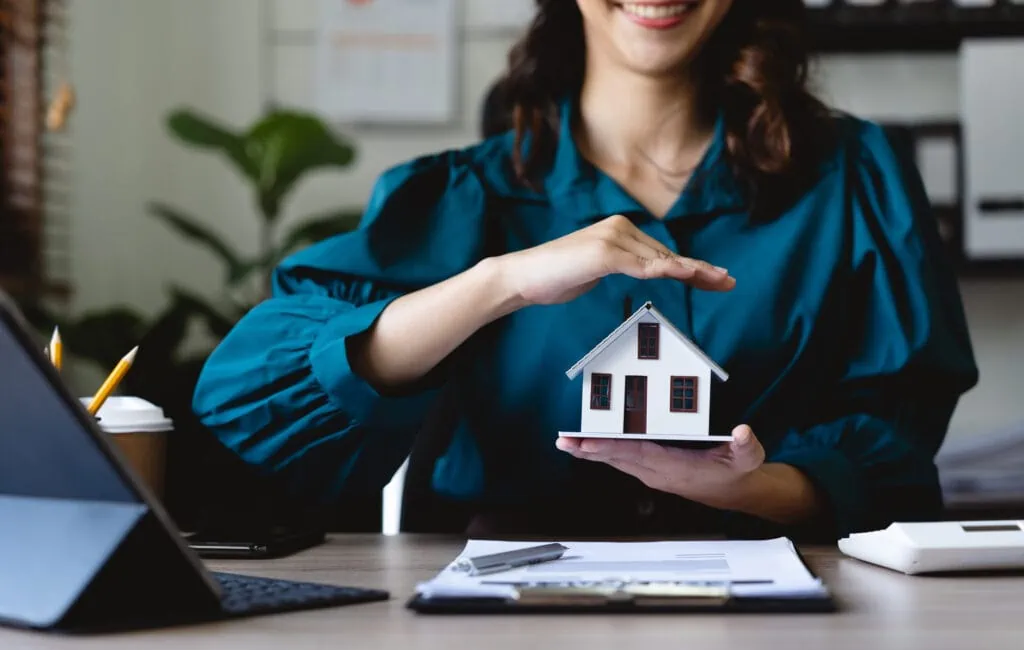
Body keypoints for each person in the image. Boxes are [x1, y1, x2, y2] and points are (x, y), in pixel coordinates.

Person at [192, 0, 979, 540]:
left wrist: (755, 485)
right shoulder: (463, 195)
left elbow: (896, 434)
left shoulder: (856, 177)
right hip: (504, 625)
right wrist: (498, 282)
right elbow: (247, 399)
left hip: (786, 614)